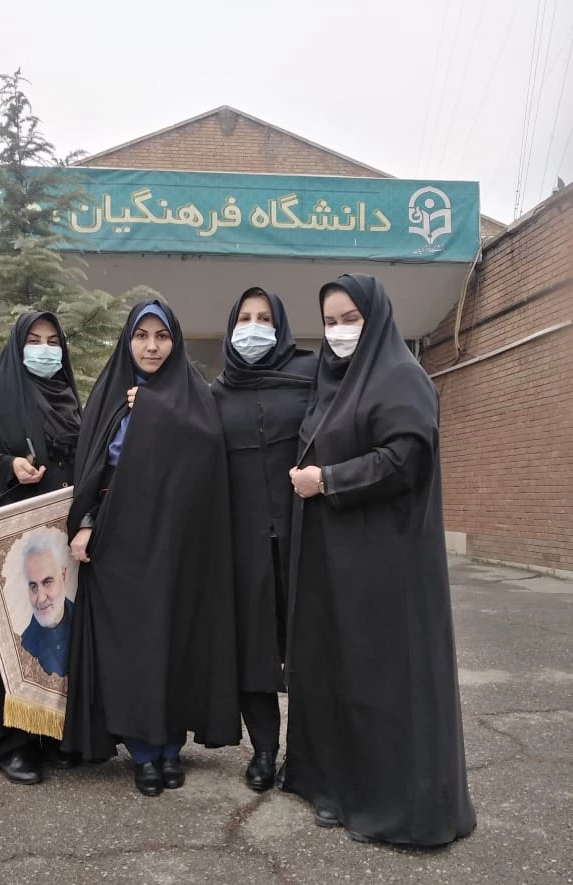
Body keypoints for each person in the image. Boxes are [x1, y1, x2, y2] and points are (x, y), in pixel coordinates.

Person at [283, 273, 476, 846]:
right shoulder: (332, 381)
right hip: (334, 561)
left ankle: (391, 805)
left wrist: (327, 479)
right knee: (337, 672)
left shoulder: (400, 377)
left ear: (377, 319)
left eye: (351, 319)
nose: (339, 332)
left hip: (382, 563)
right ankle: (336, 790)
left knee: (380, 680)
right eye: (330, 322)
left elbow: (404, 459)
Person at [64, 300, 241, 796]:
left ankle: (170, 747)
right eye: (141, 336)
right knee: (133, 645)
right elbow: (94, 470)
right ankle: (143, 751)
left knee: (174, 639)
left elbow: (206, 453)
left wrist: (155, 411)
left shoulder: (194, 395)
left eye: (161, 336)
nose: (151, 346)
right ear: (127, 341)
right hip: (120, 541)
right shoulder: (110, 394)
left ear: (174, 341)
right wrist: (85, 524)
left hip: (179, 543)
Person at [0, 311, 81, 784]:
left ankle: (53, 733)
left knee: (58, 635)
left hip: (58, 542)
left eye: (53, 341)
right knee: (10, 637)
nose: (45, 350)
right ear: (16, 346)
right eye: (34, 340)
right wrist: (8, 465)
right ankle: (9, 743)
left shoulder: (68, 397)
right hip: (10, 543)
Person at [211, 287, 318, 792]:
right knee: (252, 646)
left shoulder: (311, 376)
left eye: (264, 318)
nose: (253, 327)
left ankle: (309, 751)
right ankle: (264, 751)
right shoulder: (217, 391)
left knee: (310, 643)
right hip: (241, 540)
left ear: (280, 327)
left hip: (305, 533)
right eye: (244, 318)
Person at [20, 531, 73, 677]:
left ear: (63, 576)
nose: (41, 598)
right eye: (33, 586)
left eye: (47, 582)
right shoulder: (24, 646)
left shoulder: (86, 623)